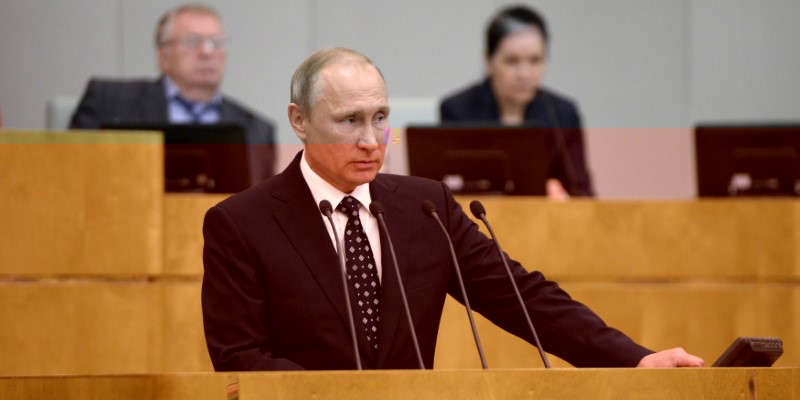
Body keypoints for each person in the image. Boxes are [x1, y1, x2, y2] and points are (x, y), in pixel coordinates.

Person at [201, 46, 703, 371]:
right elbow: (240, 355)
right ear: (299, 121)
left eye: (380, 118)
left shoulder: (424, 207)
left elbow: (521, 296)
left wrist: (635, 360)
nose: (371, 141)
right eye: (349, 121)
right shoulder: (242, 224)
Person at [69, 3, 275, 183]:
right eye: (192, 42)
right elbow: (70, 172)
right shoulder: (109, 101)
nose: (207, 52)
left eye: (215, 43)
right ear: (163, 56)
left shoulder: (256, 129)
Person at [440, 5, 593, 198]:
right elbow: (449, 190)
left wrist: (563, 197)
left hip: (545, 223)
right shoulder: (458, 110)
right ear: (488, 61)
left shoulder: (562, 113)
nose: (525, 74)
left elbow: (583, 193)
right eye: (512, 61)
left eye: (535, 60)